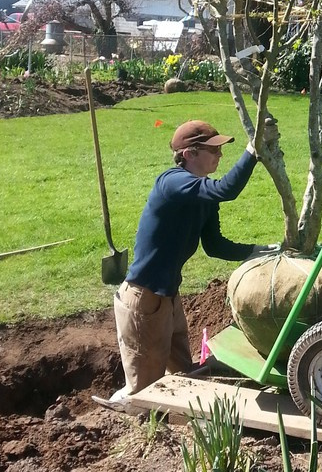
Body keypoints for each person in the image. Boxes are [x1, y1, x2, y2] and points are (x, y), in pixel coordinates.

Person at [110, 116, 275, 400]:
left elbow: (215, 246)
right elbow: (227, 190)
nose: (220, 154)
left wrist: (261, 250)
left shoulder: (201, 195)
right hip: (143, 300)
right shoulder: (172, 183)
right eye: (214, 149)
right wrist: (253, 150)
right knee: (143, 392)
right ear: (189, 154)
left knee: (184, 376)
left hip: (169, 299)